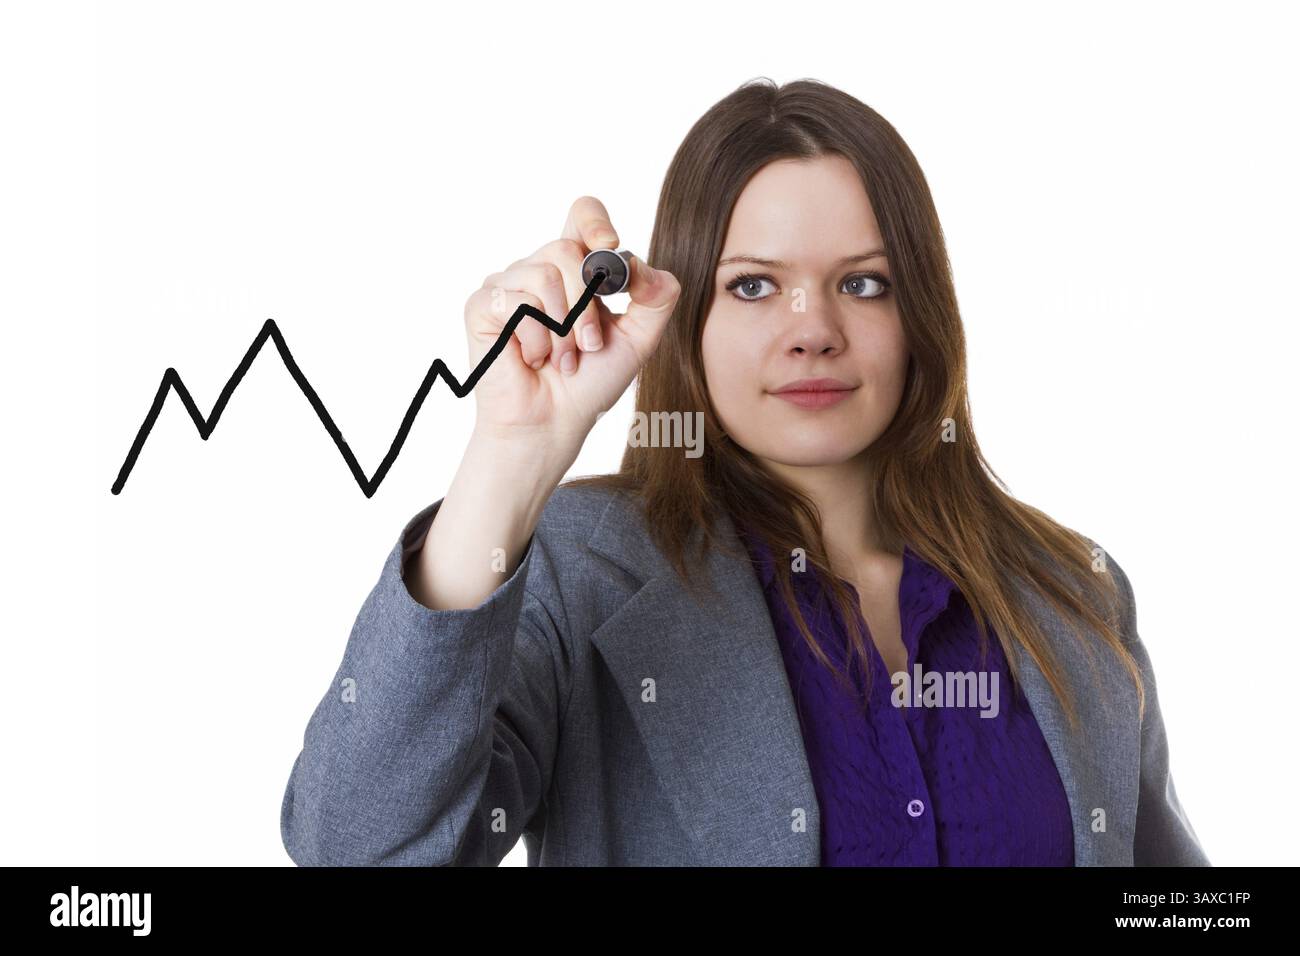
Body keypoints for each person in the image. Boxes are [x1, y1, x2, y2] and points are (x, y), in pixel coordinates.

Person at [279, 77, 1209, 867]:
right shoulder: (580, 573)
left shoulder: (1071, 591)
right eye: (754, 285)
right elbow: (359, 847)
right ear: (687, 320)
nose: (814, 330)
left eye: (864, 282)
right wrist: (510, 458)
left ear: (920, 314)